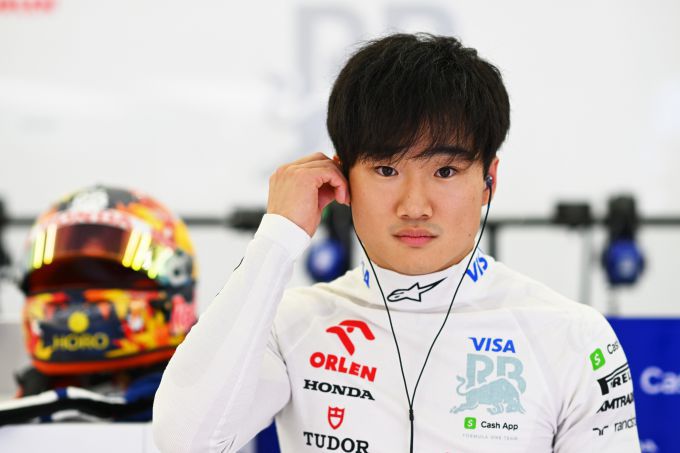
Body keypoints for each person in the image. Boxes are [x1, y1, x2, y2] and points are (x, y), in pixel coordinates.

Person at [152, 33, 640, 453]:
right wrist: (278, 235)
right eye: (386, 170)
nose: (415, 206)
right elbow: (186, 442)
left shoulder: (572, 335)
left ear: (489, 180)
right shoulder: (293, 323)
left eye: (445, 171)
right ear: (342, 177)